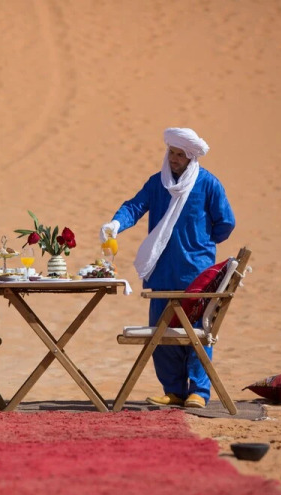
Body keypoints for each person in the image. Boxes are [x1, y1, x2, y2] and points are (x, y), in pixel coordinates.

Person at [100, 127, 235, 408]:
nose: (173, 159)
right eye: (171, 152)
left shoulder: (208, 184)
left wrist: (200, 242)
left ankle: (198, 392)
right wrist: (116, 224)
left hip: (196, 273)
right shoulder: (157, 183)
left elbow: (226, 223)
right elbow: (135, 207)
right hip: (162, 272)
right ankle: (173, 390)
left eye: (179, 155)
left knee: (196, 332)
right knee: (162, 333)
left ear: (191, 157)